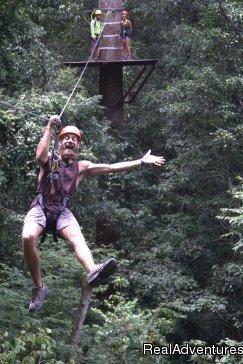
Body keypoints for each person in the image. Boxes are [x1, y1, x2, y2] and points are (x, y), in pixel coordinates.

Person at [22, 115, 166, 312]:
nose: (71, 141)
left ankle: (93, 270)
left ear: (78, 146)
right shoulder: (50, 159)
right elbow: (40, 156)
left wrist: (141, 161)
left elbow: (111, 168)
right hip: (40, 207)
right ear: (60, 142)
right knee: (27, 236)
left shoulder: (81, 167)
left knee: (77, 239)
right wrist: (49, 127)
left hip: (62, 212)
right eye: (67, 138)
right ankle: (39, 288)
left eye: (75, 139)